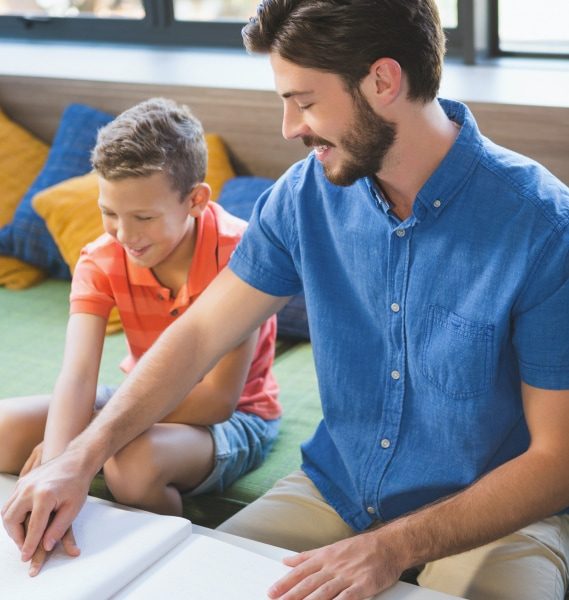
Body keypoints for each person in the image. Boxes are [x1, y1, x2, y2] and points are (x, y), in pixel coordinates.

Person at [2, 1, 569, 598]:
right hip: (338, 489)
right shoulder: (302, 196)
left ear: (382, 81)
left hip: (496, 517)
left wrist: (391, 547)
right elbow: (198, 336)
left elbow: (557, 460)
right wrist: (81, 456)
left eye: (304, 100)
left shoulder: (542, 227)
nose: (289, 127)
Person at [0, 98, 280, 575]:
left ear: (195, 199)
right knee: (6, 427)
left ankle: (163, 571)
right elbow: (79, 373)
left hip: (233, 418)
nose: (124, 235)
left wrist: (85, 443)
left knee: (131, 467)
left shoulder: (240, 253)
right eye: (110, 213)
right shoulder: (101, 257)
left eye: (144, 218)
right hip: (134, 398)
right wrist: (56, 463)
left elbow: (217, 401)